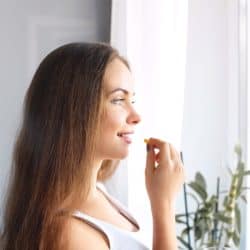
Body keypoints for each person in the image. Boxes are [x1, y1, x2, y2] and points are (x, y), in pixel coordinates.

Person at [0, 42, 185, 250]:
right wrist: (165, 205)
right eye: (117, 100)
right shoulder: (68, 234)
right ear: (74, 112)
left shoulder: (98, 192)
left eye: (131, 99)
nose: (136, 116)